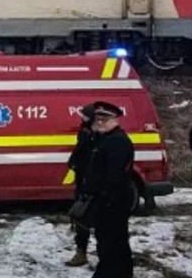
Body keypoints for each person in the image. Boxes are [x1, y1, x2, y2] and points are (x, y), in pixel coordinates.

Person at [81, 101, 134, 278]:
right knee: (109, 243)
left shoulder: (117, 141)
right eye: (98, 118)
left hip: (112, 202)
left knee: (112, 244)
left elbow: (113, 176)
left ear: (116, 120)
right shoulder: (105, 138)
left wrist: (104, 198)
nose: (100, 121)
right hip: (106, 201)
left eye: (106, 118)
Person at [65, 103, 96, 267]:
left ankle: (82, 253)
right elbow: (79, 152)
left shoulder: (93, 134)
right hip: (83, 180)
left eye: (83, 114)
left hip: (88, 183)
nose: (80, 116)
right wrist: (72, 163)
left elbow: (87, 156)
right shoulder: (85, 131)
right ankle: (81, 252)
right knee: (80, 217)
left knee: (83, 218)